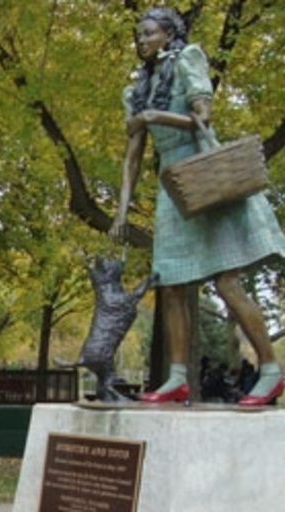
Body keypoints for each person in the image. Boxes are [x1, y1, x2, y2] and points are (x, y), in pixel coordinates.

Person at [109, 7, 285, 406]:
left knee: (226, 282)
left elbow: (202, 115)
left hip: (205, 178)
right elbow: (132, 158)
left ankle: (271, 370)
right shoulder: (135, 92)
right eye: (139, 35)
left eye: (150, 33)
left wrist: (154, 115)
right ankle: (177, 378)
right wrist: (121, 210)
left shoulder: (189, 58)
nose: (142, 40)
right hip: (172, 189)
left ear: (169, 35)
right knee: (170, 286)